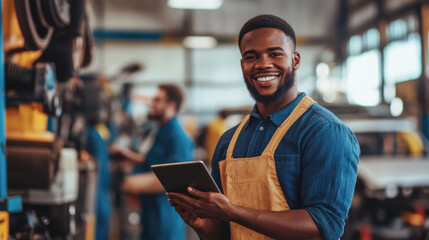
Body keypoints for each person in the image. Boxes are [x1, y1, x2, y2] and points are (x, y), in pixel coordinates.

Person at [167, 14, 360, 240]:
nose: (263, 64)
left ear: (296, 60)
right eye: (251, 57)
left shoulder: (324, 132)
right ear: (242, 65)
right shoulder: (229, 142)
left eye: (275, 54)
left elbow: (323, 228)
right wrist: (202, 224)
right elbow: (226, 233)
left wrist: (231, 211)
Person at [111, 83, 194, 240]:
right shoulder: (161, 131)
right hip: (151, 214)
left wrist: (127, 183)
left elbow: (172, 178)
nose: (152, 104)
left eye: (157, 100)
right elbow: (154, 161)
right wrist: (127, 154)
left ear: (171, 105)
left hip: (164, 218)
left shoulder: (177, 137)